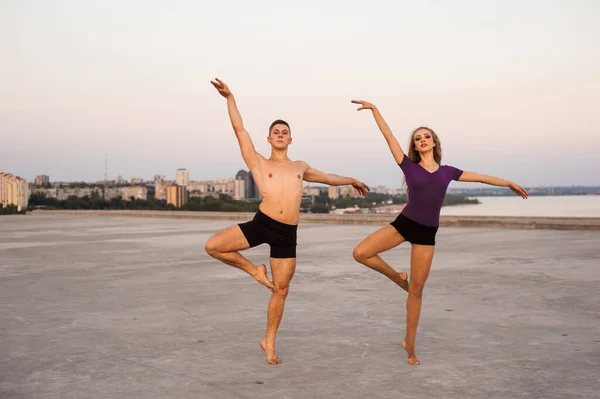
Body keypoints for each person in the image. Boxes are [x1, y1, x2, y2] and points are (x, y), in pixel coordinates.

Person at [350, 100, 528, 365]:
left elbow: (480, 177)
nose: (422, 140)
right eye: (418, 138)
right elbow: (389, 137)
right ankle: (397, 278)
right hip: (404, 223)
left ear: (434, 143)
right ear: (415, 145)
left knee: (417, 291)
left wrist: (508, 183)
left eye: (427, 137)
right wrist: (375, 110)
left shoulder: (448, 172)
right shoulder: (408, 166)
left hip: (427, 233)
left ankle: (409, 344)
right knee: (361, 252)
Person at [205, 78, 370, 365]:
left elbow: (328, 178)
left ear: (290, 140)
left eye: (285, 132)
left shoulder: (300, 167)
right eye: (276, 132)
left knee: (281, 289)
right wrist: (230, 98)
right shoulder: (257, 162)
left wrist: (350, 180)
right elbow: (239, 129)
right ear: (269, 139)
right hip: (262, 223)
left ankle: (269, 340)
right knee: (214, 246)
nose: (280, 135)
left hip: (287, 233)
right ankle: (254, 271)